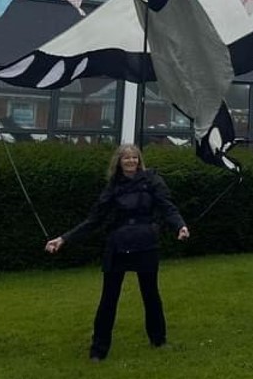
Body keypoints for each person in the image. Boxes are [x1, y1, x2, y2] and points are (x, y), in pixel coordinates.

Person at [44, 144, 189, 361]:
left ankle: (158, 340)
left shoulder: (152, 181)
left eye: (134, 158)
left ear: (139, 161)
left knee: (151, 295)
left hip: (146, 243)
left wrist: (180, 226)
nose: (131, 162)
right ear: (119, 162)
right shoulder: (112, 187)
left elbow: (167, 206)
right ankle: (99, 349)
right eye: (126, 158)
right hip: (118, 245)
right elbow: (94, 219)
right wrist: (64, 239)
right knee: (109, 298)